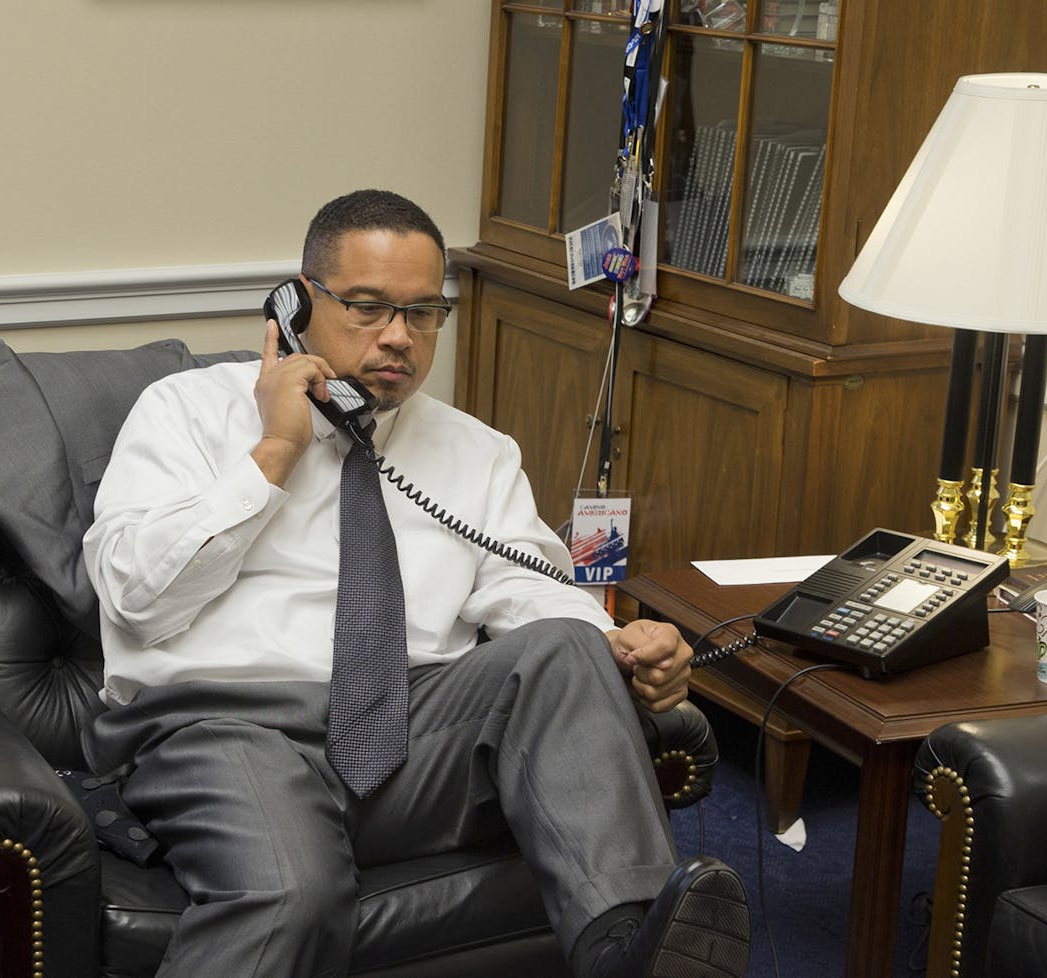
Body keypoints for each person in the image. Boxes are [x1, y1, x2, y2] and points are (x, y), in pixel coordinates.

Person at [81, 189, 751, 978]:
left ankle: (623, 953)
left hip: (407, 732)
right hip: (223, 730)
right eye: (367, 308)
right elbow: (135, 596)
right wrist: (274, 452)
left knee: (568, 646)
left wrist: (620, 644)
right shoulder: (184, 414)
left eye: (423, 313)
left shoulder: (478, 452)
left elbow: (530, 587)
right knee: (292, 891)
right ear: (297, 305)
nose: (398, 337)